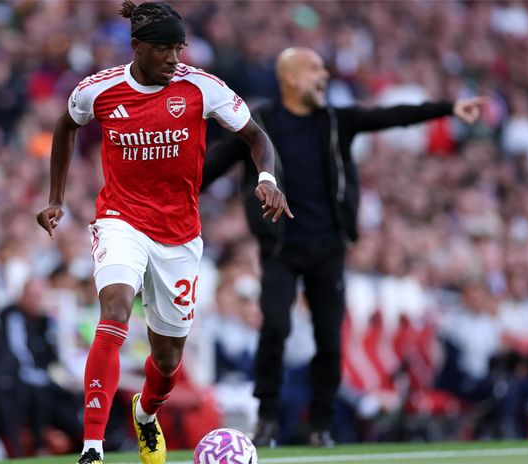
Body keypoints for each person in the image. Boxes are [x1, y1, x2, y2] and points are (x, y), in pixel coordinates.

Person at [35, 2, 292, 463]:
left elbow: (256, 136)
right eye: (164, 49)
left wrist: (267, 179)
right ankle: (92, 447)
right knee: (115, 308)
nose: (174, 58)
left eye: (178, 48)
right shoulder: (98, 90)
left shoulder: (202, 88)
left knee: (169, 360)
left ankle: (146, 412)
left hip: (179, 234)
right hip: (121, 219)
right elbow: (65, 125)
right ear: (137, 47)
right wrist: (56, 197)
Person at [201, 47, 486, 447]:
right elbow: (212, 166)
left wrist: (448, 108)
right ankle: (266, 418)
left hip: (328, 249)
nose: (324, 75)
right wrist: (166, 196)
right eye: (315, 69)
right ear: (291, 78)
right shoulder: (260, 123)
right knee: (275, 329)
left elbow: (391, 116)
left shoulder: (336, 121)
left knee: (329, 339)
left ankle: (321, 424)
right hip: (281, 248)